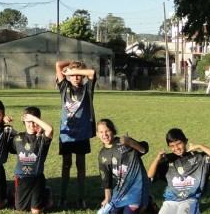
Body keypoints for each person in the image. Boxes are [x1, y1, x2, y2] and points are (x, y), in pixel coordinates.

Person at [147, 128, 210, 214]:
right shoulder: (167, 160)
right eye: (172, 146)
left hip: (190, 199)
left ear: (185, 141)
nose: (176, 148)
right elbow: (150, 175)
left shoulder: (198, 158)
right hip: (170, 200)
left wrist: (200, 146)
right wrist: (157, 159)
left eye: (179, 144)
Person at [55, 60, 97, 208]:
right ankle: (63, 196)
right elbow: (58, 65)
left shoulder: (88, 88)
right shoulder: (64, 86)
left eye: (79, 74)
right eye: (73, 74)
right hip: (66, 134)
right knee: (66, 165)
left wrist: (73, 71)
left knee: (81, 165)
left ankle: (81, 197)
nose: (76, 77)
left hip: (82, 133)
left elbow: (92, 73)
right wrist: (71, 65)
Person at [96, 119, 150, 214]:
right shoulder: (102, 155)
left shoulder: (124, 143)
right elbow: (106, 179)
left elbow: (144, 148)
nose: (104, 134)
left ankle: (148, 204)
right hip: (119, 194)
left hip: (136, 191)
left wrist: (131, 142)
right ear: (97, 134)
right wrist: (107, 198)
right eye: (101, 132)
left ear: (113, 131)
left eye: (107, 131)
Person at [11, 106, 53, 214]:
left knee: (36, 211)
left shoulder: (42, 138)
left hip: (37, 178)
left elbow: (50, 129)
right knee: (21, 209)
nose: (32, 125)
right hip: (22, 178)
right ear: (24, 121)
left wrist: (33, 118)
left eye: (34, 121)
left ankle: (46, 193)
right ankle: (14, 193)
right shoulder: (18, 138)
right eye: (28, 121)